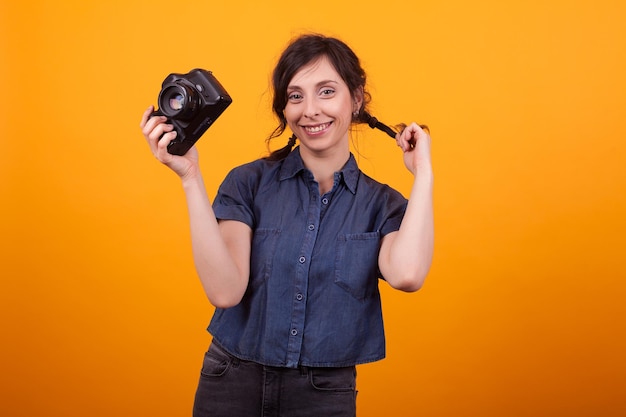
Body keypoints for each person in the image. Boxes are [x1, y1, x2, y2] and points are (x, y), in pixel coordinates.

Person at [140, 33, 433, 417]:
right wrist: (190, 177)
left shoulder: (382, 205)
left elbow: (408, 275)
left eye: (326, 91)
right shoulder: (248, 183)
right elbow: (225, 292)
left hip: (322, 395)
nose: (310, 110)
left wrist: (423, 174)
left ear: (356, 99)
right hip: (230, 382)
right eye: (295, 96)